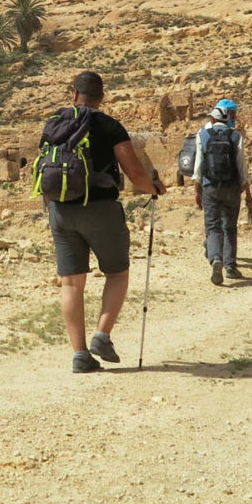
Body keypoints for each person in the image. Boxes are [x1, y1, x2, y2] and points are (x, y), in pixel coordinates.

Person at [43, 71, 165, 373]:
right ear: (103, 96)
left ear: (74, 94)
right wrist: (155, 188)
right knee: (117, 273)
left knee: (71, 283)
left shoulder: (54, 123)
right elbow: (135, 174)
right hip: (99, 208)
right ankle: (102, 334)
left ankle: (80, 355)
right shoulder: (110, 125)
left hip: (60, 209)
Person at [192, 101, 252, 284]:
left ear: (212, 118)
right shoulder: (235, 136)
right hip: (232, 187)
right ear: (227, 119)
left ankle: (215, 258)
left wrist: (197, 189)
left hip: (210, 186)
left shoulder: (202, 134)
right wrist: (245, 186)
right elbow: (241, 163)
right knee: (230, 227)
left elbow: (198, 165)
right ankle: (231, 267)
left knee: (212, 226)